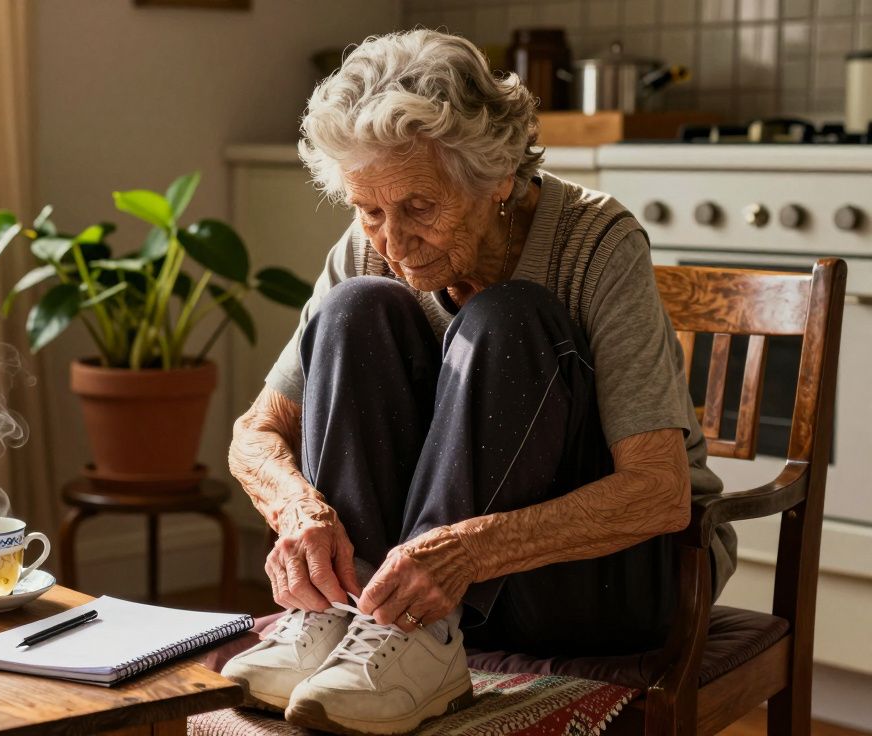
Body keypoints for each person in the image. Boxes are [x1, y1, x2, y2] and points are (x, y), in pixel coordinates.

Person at [219, 29, 737, 735]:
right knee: (355, 308)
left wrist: (469, 551)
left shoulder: (596, 240)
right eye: (369, 210)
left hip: (607, 580)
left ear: (495, 178)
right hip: (420, 590)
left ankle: (414, 640)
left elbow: (660, 490)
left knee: (509, 319)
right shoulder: (369, 249)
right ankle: (341, 624)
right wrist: (299, 515)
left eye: (419, 208)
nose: (393, 242)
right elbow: (256, 433)